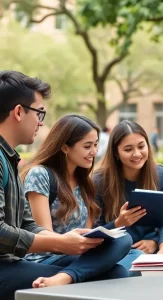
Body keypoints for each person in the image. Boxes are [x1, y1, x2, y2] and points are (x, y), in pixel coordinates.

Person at [0, 71, 130, 300]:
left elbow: (28, 225)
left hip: (15, 263)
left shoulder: (10, 159)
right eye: (39, 112)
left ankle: (64, 278)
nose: (42, 121)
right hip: (6, 267)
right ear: (19, 112)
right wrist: (61, 242)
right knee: (107, 277)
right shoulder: (25, 169)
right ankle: (65, 278)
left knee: (120, 252)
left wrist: (73, 238)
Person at [21, 114, 132, 285]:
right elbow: (42, 233)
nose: (94, 152)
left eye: (96, 145)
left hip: (76, 257)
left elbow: (86, 232)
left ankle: (64, 278)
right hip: (45, 258)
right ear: (65, 147)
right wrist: (70, 243)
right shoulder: (40, 174)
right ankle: (64, 278)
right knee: (117, 273)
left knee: (124, 240)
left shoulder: (85, 182)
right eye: (87, 146)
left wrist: (115, 226)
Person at [93, 120, 163, 276]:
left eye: (141, 146)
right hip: (115, 247)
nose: (137, 154)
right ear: (116, 153)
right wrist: (118, 223)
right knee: (122, 271)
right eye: (128, 149)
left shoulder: (160, 175)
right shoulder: (99, 181)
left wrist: (160, 251)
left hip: (150, 244)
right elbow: (95, 232)